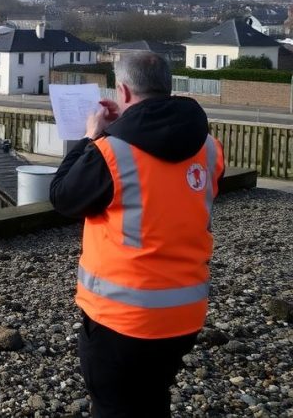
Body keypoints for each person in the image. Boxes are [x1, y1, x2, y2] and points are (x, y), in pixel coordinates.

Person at [50, 51, 223, 417]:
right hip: (185, 315)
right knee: (151, 397)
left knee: (113, 404)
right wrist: (123, 127)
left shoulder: (110, 152)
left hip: (123, 319)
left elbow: (63, 197)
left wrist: (90, 136)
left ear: (124, 91)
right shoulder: (209, 147)